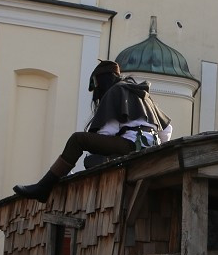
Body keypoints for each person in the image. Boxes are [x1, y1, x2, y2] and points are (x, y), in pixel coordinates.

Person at [13, 61, 172, 202]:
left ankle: (43, 187)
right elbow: (166, 130)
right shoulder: (142, 94)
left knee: (78, 140)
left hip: (130, 145)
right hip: (149, 147)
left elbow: (107, 132)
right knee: (97, 157)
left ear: (101, 82)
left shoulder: (114, 91)